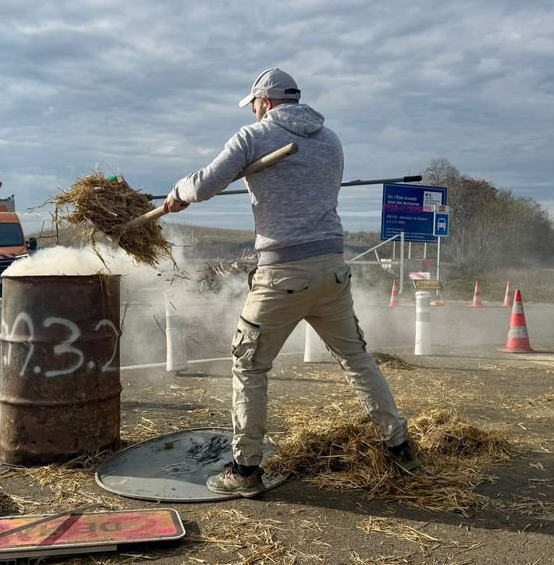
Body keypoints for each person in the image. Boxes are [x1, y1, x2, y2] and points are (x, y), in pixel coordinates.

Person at [163, 68, 418, 498]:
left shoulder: (252, 136)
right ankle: (400, 445)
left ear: (265, 101)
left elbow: (204, 184)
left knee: (249, 365)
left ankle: (244, 471)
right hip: (332, 269)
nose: (255, 110)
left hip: (282, 274)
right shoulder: (331, 140)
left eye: (255, 104)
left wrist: (179, 193)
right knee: (357, 359)